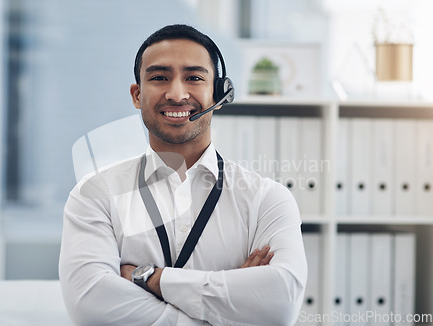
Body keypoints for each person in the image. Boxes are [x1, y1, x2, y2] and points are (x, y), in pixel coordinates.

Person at [59, 24, 307, 326]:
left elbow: (279, 306)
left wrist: (149, 277)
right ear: (137, 95)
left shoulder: (267, 199)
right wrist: (228, 304)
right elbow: (91, 307)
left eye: (194, 77)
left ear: (218, 92)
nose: (177, 94)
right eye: (159, 77)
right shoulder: (95, 195)